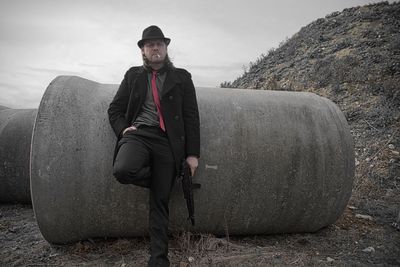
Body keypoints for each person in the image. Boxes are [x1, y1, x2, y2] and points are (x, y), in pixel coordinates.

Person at [108, 25, 200, 267]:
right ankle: (167, 179)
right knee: (123, 170)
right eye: (150, 45)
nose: (155, 47)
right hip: (138, 135)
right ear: (143, 51)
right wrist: (123, 129)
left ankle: (158, 261)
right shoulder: (133, 75)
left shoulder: (182, 77)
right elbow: (115, 109)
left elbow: (191, 117)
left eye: (159, 43)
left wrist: (192, 155)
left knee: (159, 203)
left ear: (166, 48)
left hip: (167, 142)